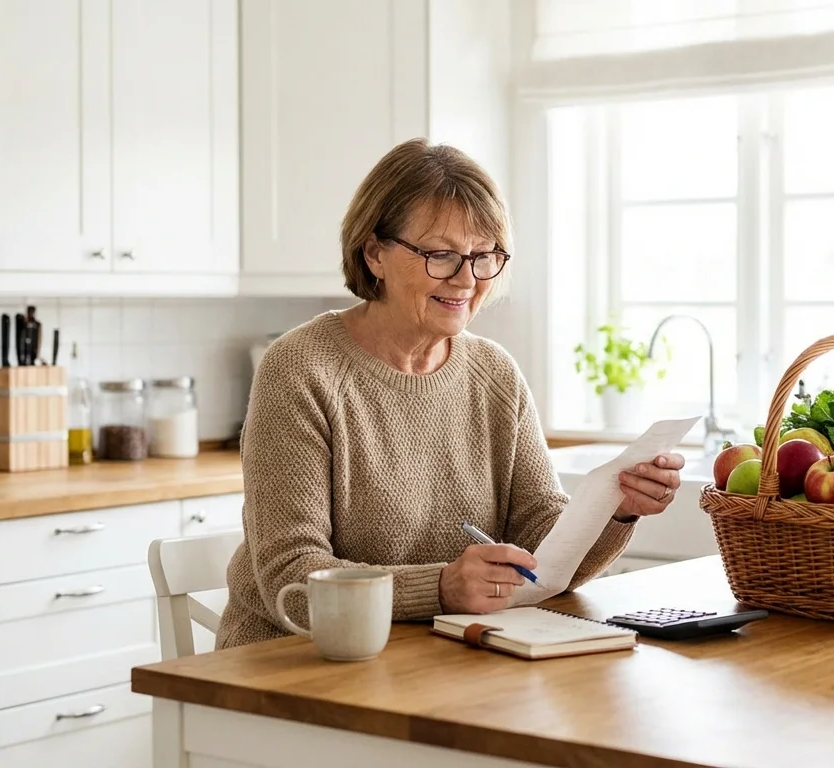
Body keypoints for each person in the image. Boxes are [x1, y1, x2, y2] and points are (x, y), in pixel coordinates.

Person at [215, 138, 685, 649]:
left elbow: (541, 559)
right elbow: (291, 581)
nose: (467, 279)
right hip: (293, 666)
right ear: (374, 253)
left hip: (435, 659)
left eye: (484, 256)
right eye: (441, 254)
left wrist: (616, 511)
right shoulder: (301, 368)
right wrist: (440, 587)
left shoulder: (493, 373)